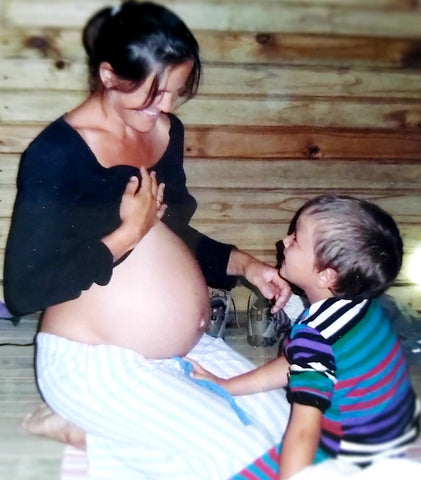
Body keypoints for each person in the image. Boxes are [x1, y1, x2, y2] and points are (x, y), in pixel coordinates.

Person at [3, 2, 291, 479]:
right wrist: (126, 235)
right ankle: (86, 433)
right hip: (93, 362)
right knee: (243, 463)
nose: (166, 109)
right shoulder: (56, 153)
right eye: (152, 95)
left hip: (183, 351)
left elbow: (172, 237)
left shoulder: (165, 132)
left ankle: (101, 438)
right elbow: (25, 289)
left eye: (176, 94)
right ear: (110, 75)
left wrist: (244, 265)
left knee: (292, 429)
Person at [190, 195, 420, 480]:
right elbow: (295, 362)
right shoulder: (365, 306)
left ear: (325, 276)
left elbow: (303, 433)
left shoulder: (315, 334)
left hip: (352, 459)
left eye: (296, 239)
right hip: (394, 438)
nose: (285, 241)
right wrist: (226, 385)